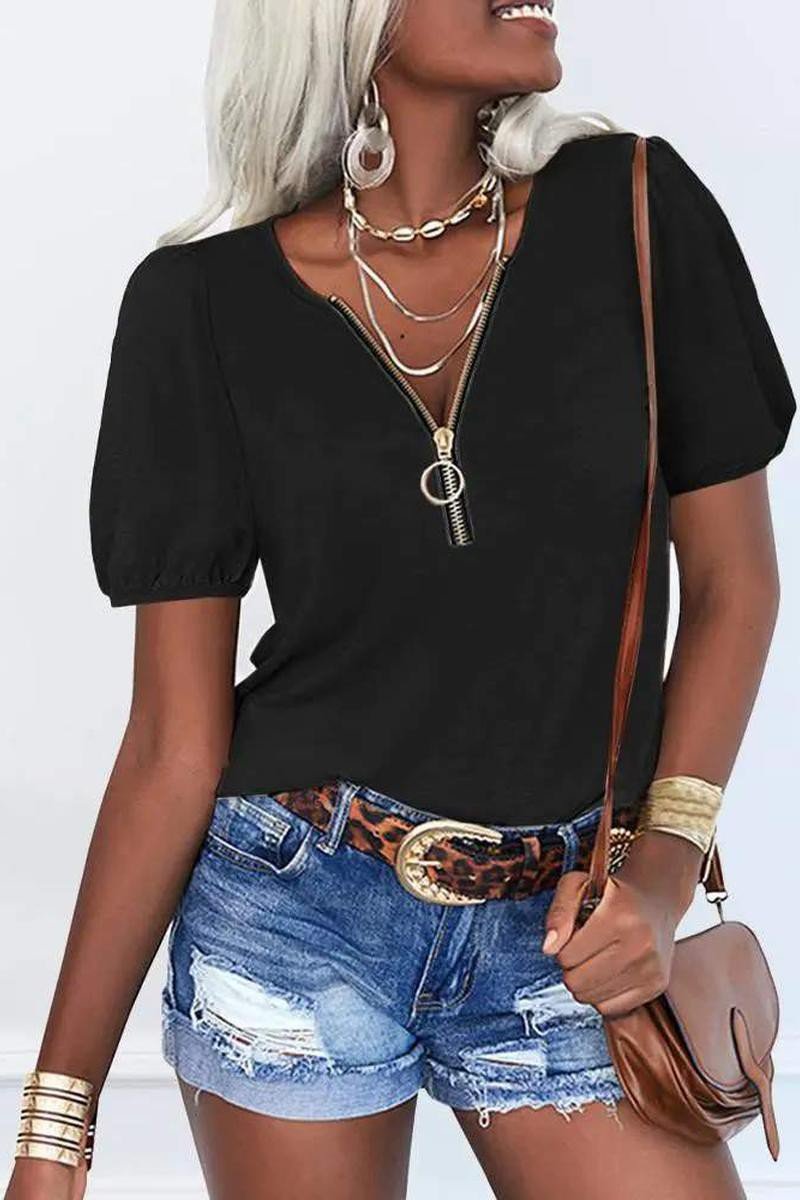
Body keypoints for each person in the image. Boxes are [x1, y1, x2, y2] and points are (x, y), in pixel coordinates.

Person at [7, 1, 795, 1198]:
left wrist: (658, 878)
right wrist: (55, 1128)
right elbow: (173, 741)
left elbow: (735, 586)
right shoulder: (199, 305)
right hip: (292, 906)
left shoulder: (634, 211)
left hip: (568, 924)